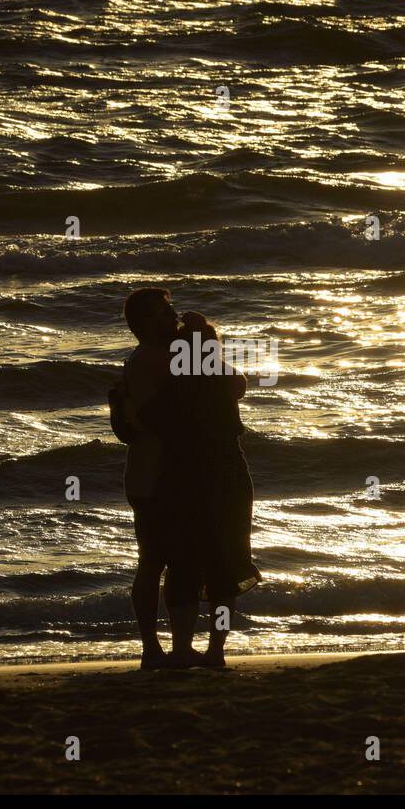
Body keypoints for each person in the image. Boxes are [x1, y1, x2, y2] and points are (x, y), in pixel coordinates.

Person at [141, 311, 261, 668]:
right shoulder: (224, 381)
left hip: (183, 479)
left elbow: (148, 418)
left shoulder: (174, 386)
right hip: (228, 477)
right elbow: (234, 381)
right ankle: (216, 651)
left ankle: (181, 649)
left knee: (184, 563)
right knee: (225, 565)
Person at [110, 287, 181, 669]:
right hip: (152, 476)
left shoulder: (163, 355)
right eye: (163, 312)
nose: (172, 316)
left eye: (170, 308)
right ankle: (152, 647)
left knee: (167, 560)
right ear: (142, 324)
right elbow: (157, 418)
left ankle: (163, 646)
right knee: (154, 561)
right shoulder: (149, 360)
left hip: (158, 474)